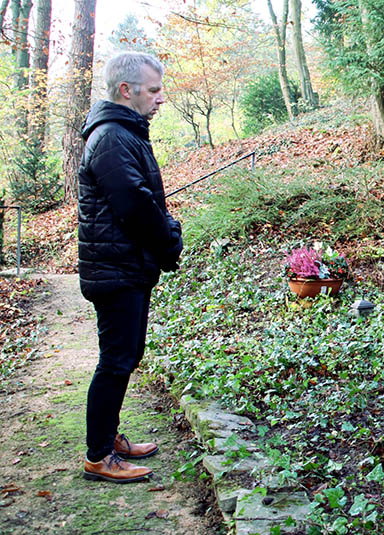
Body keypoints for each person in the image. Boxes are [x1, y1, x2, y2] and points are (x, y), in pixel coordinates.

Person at [78, 52, 182, 483]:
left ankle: (109, 436)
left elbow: (141, 200)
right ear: (127, 90)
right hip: (116, 271)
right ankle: (99, 456)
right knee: (117, 361)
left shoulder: (125, 133)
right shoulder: (112, 137)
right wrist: (170, 238)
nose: (160, 99)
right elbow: (135, 206)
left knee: (125, 356)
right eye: (153, 90)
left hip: (127, 268)